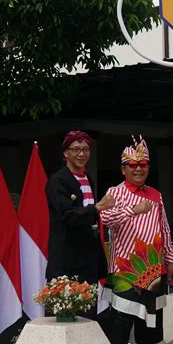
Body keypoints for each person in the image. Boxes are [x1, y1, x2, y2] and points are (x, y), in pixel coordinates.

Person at [99, 137, 173, 344]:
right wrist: (134, 210)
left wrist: (171, 260)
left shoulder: (156, 194)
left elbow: (164, 229)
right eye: (132, 165)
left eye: (143, 164)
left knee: (151, 324)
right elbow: (106, 219)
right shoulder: (114, 192)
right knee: (119, 324)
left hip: (155, 272)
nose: (138, 169)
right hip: (125, 270)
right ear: (123, 169)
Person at [45, 130, 114, 317]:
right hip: (66, 259)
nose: (81, 154)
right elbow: (67, 214)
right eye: (76, 149)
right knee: (63, 316)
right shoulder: (58, 181)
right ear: (65, 153)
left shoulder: (87, 178)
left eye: (85, 149)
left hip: (87, 258)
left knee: (87, 314)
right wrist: (97, 207)